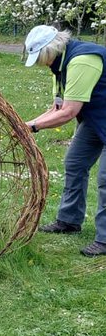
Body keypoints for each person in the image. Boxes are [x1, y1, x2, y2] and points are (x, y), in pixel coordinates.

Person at [24, 24, 106, 256]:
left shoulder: (82, 60)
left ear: (50, 50)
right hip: (97, 118)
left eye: (40, 57)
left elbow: (68, 113)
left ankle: (105, 239)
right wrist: (26, 125)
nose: (41, 62)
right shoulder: (59, 66)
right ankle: (69, 221)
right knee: (75, 163)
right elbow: (56, 107)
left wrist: (33, 127)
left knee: (105, 178)